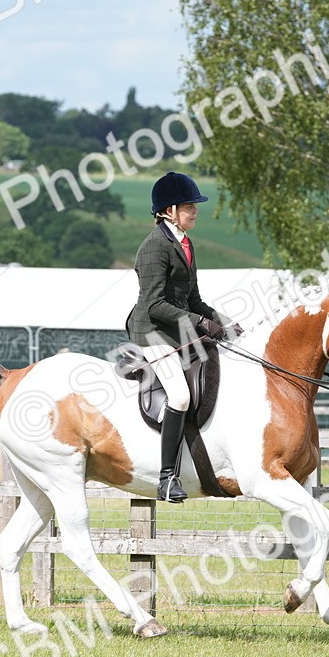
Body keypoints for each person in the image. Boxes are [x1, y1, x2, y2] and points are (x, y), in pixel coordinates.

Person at [125, 172, 243, 503]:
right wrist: (201, 325)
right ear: (169, 210)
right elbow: (156, 305)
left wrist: (225, 323)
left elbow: (193, 301)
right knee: (178, 395)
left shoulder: (185, 245)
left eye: (194, 207)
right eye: (190, 207)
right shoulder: (153, 248)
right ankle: (166, 478)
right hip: (152, 331)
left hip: (177, 328)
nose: (195, 212)